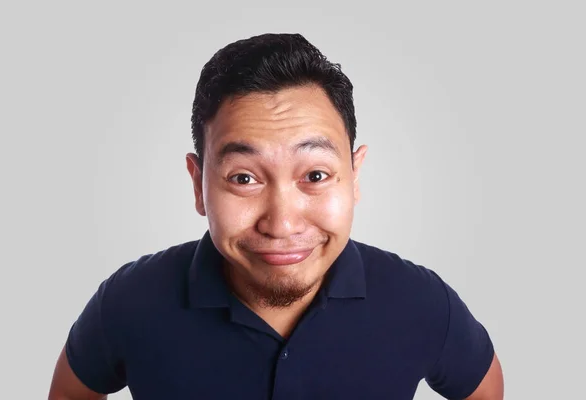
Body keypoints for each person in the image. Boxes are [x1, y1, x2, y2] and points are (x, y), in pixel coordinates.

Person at [49, 33, 504, 400]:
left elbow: (484, 391)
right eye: (244, 178)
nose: (282, 224)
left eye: (316, 174)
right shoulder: (129, 302)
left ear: (355, 174)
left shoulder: (420, 302)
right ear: (198, 184)